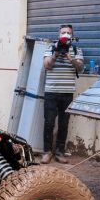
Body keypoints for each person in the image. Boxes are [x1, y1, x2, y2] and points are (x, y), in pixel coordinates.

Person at [41, 24, 84, 164]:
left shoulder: (77, 49)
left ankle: (59, 152)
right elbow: (47, 65)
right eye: (63, 32)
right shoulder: (51, 47)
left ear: (72, 35)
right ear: (59, 35)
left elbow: (81, 68)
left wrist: (70, 58)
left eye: (68, 33)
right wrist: (56, 54)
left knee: (64, 124)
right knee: (49, 122)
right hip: (51, 92)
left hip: (67, 92)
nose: (65, 35)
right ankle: (47, 152)